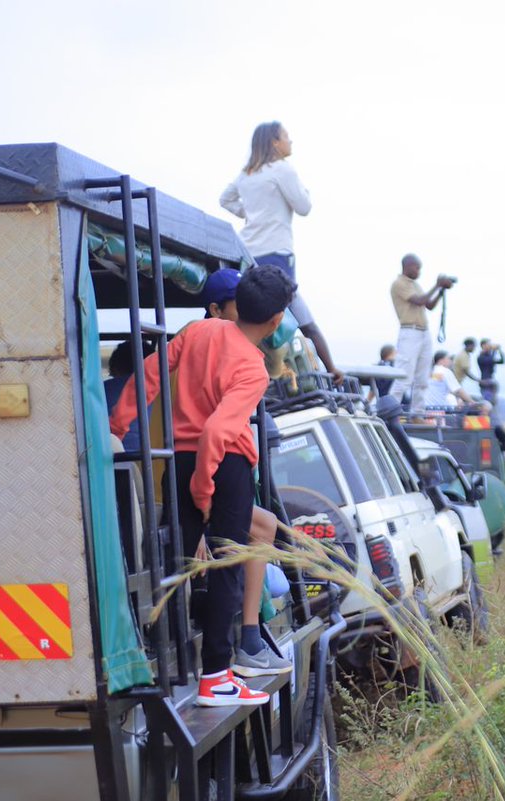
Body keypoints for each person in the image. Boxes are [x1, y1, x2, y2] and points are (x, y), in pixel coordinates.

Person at [110, 264, 296, 707]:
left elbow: (148, 373)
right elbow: (217, 432)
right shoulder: (253, 368)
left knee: (180, 564)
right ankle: (217, 678)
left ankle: (169, 659)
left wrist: (119, 423)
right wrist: (205, 490)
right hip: (222, 467)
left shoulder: (199, 331)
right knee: (228, 569)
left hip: (179, 461)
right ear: (274, 321)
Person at [199, 266, 288, 678]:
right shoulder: (224, 352)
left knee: (263, 525)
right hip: (199, 473)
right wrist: (200, 504)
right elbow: (211, 429)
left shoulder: (209, 343)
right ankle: (241, 646)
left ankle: (251, 635)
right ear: (217, 309)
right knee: (239, 546)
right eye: (235, 307)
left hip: (206, 469)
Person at [219, 121, 343, 385]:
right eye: (287, 136)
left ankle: (243, 372)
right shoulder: (283, 170)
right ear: (275, 142)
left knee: (253, 315)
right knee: (297, 315)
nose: (291, 141)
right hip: (277, 253)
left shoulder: (247, 174)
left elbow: (225, 199)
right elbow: (304, 206)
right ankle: (332, 370)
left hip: (249, 255)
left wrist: (251, 214)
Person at [388, 254, 454, 415]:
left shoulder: (415, 285)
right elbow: (419, 300)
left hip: (423, 332)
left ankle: (418, 413)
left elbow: (429, 304)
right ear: (408, 266)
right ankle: (390, 412)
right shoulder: (399, 284)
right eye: (417, 268)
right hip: (409, 332)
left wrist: (441, 290)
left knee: (422, 378)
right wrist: (437, 285)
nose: (419, 271)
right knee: (403, 376)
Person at [103, 340, 154, 452]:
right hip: (158, 459)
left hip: (113, 460)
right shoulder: (165, 391)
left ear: (115, 367)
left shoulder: (102, 391)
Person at [477, 338, 505, 405]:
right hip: (485, 382)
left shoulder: (489, 356)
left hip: (491, 381)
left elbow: (502, 361)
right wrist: (494, 351)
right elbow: (490, 360)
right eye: (488, 344)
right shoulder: (481, 357)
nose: (490, 346)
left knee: (493, 402)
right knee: (487, 402)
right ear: (483, 346)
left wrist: (499, 350)